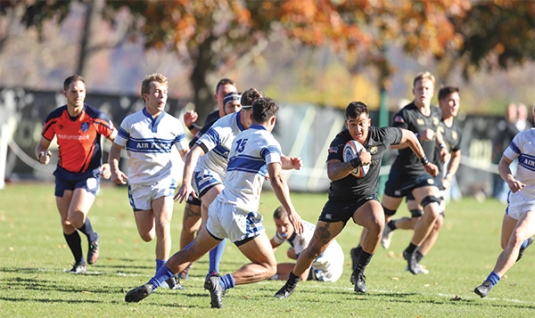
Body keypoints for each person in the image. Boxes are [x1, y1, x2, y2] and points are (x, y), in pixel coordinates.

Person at [124, 97, 304, 309]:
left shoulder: (240, 138)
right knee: (268, 267)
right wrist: (292, 211)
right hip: (240, 212)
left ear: (252, 116)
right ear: (272, 120)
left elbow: (253, 167)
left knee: (190, 252)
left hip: (219, 208)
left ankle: (152, 284)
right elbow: (277, 178)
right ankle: (222, 282)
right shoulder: (269, 141)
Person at [274, 101, 437, 299]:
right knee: (315, 247)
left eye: (361, 123)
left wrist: (425, 162)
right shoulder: (339, 141)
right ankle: (289, 285)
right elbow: (332, 172)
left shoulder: (381, 136)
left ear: (368, 121)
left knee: (378, 221)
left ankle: (359, 272)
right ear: (346, 123)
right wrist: (356, 161)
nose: (357, 129)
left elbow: (410, 136)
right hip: (339, 202)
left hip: (364, 199)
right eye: (352, 124)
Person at [352, 72, 447, 276]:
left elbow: (437, 131)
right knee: (380, 219)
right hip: (402, 175)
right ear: (413, 91)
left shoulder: (437, 113)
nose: (423, 92)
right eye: (420, 88)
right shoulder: (405, 115)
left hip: (423, 174)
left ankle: (411, 252)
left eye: (427, 89)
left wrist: (442, 146)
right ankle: (358, 251)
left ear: (432, 92)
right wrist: (418, 137)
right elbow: (394, 143)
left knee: (433, 212)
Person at [108, 73, 189, 290]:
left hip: (164, 182)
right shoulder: (131, 122)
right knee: (147, 235)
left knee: (164, 225)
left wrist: (189, 178)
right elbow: (115, 149)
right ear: (146, 96)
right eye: (156, 92)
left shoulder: (173, 124)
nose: (161, 96)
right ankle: (163, 267)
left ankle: (162, 275)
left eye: (164, 92)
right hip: (138, 185)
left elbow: (185, 154)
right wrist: (115, 168)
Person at [35, 75, 117, 273]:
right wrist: (42, 156)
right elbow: (41, 146)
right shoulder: (55, 118)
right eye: (73, 91)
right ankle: (79, 263)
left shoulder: (96, 117)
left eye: (81, 91)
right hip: (64, 174)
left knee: (75, 217)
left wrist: (110, 165)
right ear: (65, 94)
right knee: (66, 223)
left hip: (88, 174)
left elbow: (119, 141)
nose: (78, 95)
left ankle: (93, 236)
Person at [380, 86, 463, 273]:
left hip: (438, 179)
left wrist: (449, 176)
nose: (455, 105)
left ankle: (412, 256)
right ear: (440, 103)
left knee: (429, 221)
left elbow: (456, 154)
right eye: (451, 101)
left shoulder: (456, 130)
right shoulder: (431, 120)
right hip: (419, 176)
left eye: (457, 101)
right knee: (430, 218)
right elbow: (408, 140)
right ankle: (409, 254)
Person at [175, 89, 254, 279]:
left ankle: (203, 270)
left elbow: (272, 153)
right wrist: (186, 182)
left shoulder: (256, 128)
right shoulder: (222, 124)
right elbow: (194, 150)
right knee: (192, 225)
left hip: (225, 180)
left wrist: (287, 164)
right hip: (204, 172)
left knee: (210, 228)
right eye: (232, 105)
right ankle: (185, 268)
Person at [473, 104, 535, 298]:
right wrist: (510, 180)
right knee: (506, 245)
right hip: (517, 198)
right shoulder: (524, 137)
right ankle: (525, 242)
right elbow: (503, 163)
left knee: (515, 239)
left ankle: (488, 283)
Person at [270, 206, 344, 282]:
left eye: (285, 225)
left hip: (327, 271)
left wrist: (274, 277)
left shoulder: (303, 237)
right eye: (278, 225)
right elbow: (271, 246)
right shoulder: (286, 229)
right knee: (277, 264)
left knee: (274, 269)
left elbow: (302, 277)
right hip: (327, 260)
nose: (282, 229)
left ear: (293, 221)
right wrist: (265, 264)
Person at [492, 103, 519, 203]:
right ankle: (499, 194)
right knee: (500, 175)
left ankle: (503, 195)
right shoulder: (502, 125)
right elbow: (497, 139)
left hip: (514, 156)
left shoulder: (516, 126)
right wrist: (494, 150)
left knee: (510, 175)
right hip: (503, 154)